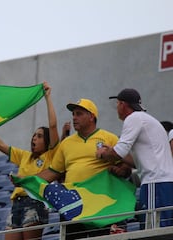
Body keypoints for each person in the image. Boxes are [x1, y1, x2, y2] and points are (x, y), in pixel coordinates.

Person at [36, 98, 132, 239]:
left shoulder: (109, 138)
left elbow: (127, 165)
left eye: (79, 114)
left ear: (92, 116)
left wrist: (121, 170)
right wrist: (28, 180)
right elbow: (53, 172)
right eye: (73, 114)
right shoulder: (66, 144)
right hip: (74, 204)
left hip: (101, 205)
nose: (74, 118)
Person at [0, 81, 60, 240]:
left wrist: (48, 98)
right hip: (16, 204)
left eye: (39, 136)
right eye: (34, 135)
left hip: (35, 203)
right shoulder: (24, 156)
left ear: (47, 141)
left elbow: (53, 126)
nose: (34, 138)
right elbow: (0, 145)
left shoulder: (50, 155)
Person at [96, 88, 173, 228]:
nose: (117, 108)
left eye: (117, 104)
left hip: (155, 183)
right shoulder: (147, 119)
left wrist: (103, 153)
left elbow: (117, 153)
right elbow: (136, 162)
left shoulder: (133, 118)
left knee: (153, 231)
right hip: (164, 182)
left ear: (123, 105)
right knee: (165, 230)